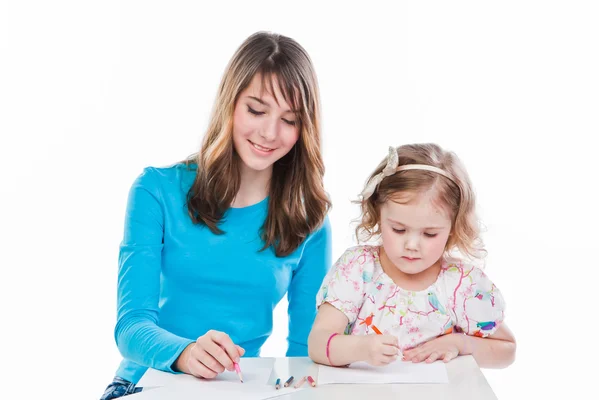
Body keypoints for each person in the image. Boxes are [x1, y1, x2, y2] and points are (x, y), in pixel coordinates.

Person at [100, 31, 332, 400]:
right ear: (230, 104)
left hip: (237, 391)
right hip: (143, 384)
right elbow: (131, 327)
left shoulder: (309, 220)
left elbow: (305, 351)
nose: (269, 133)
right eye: (256, 110)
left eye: (290, 120)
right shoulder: (155, 190)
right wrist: (186, 353)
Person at [308, 144, 516, 369]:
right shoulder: (358, 269)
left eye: (429, 234)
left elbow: (507, 350)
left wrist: (461, 343)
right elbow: (317, 344)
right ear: (379, 215)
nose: (412, 245)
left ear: (453, 228)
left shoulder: (462, 284)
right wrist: (359, 348)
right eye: (398, 229)